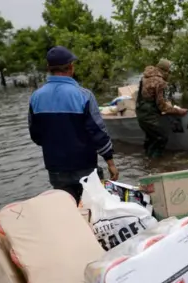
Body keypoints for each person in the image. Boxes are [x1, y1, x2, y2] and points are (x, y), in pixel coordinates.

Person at [28, 46, 119, 204]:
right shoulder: (83, 95)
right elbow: (97, 132)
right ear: (71, 67)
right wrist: (110, 162)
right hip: (85, 165)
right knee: (93, 210)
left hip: (55, 168)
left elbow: (35, 135)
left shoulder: (36, 97)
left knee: (67, 211)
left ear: (49, 69)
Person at [136, 59, 188, 158]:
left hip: (140, 112)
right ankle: (155, 162)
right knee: (161, 137)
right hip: (149, 115)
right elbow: (162, 106)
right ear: (165, 71)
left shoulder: (145, 77)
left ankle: (147, 162)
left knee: (150, 138)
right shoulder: (160, 82)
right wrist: (178, 111)